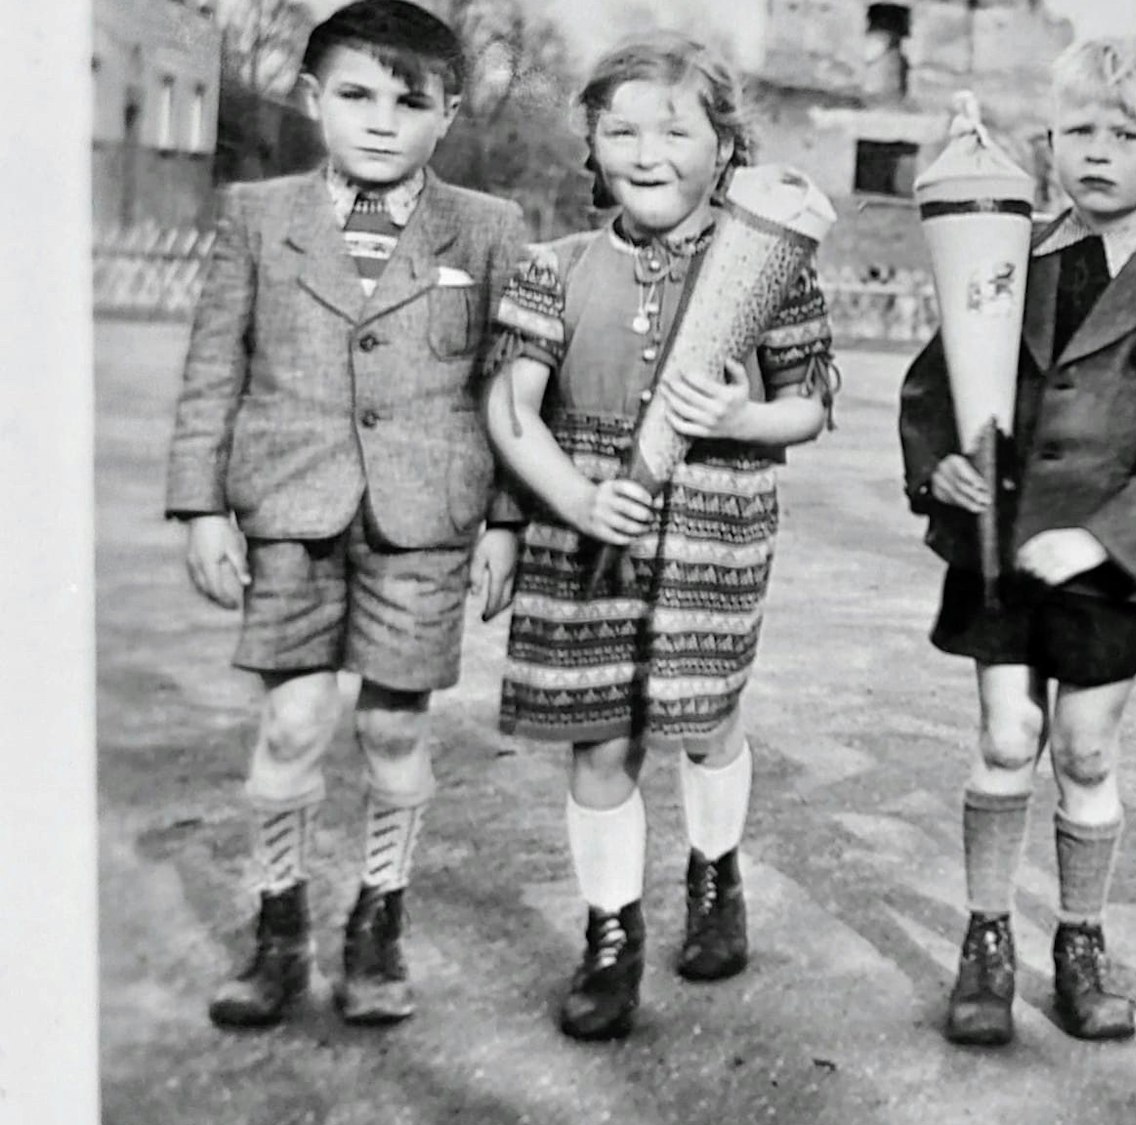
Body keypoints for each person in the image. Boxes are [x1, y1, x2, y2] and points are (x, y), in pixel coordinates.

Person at [166, 0, 528, 1030]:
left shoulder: (488, 228)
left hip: (427, 518)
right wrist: (200, 506)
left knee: (392, 725)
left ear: (448, 114)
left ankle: (378, 928)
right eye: (356, 96)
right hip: (289, 509)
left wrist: (506, 523)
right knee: (290, 723)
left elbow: (509, 387)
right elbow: (213, 368)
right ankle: (278, 932)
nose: (380, 121)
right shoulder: (256, 215)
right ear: (312, 97)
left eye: (409, 103)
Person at [481, 32, 839, 1042]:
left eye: (675, 132)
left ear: (724, 147)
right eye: (621, 130)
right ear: (591, 145)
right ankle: (611, 935)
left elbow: (810, 404)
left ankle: (716, 873)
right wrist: (577, 499)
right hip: (587, 526)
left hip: (716, 520)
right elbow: (512, 409)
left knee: (705, 718)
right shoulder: (552, 268)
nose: (646, 154)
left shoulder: (769, 264)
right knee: (601, 737)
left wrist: (741, 417)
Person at [898, 37, 1136, 1047]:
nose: (1098, 151)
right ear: (1050, 140)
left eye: (1126, 134)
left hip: (1112, 568)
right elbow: (934, 386)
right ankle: (986, 940)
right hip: (1000, 548)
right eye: (1079, 130)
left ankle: (1080, 943)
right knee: (1008, 739)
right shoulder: (1001, 260)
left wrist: (1099, 540)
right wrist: (939, 468)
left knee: (1086, 753)